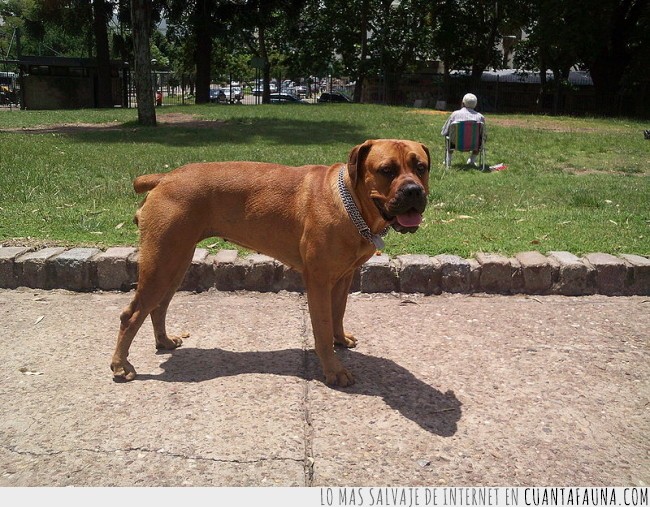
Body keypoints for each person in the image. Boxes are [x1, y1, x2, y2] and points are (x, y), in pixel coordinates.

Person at [441, 93, 485, 166]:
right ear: (475, 104)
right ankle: (472, 160)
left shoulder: (455, 114)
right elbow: (483, 134)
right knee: (480, 139)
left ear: (463, 103)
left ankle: (448, 161)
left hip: (455, 143)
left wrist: (446, 133)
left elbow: (445, 131)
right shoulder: (480, 117)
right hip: (474, 144)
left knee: (449, 138)